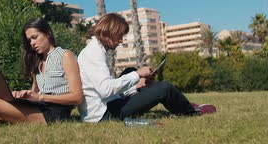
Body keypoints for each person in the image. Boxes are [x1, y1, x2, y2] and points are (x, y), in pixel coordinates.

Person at [77, 13, 216, 123]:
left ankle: (177, 101)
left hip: (107, 105)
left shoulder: (97, 49)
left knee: (129, 71)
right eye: (119, 36)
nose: (121, 41)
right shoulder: (93, 53)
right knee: (164, 88)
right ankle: (191, 112)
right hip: (105, 115)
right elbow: (105, 89)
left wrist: (135, 85)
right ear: (109, 32)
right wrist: (137, 75)